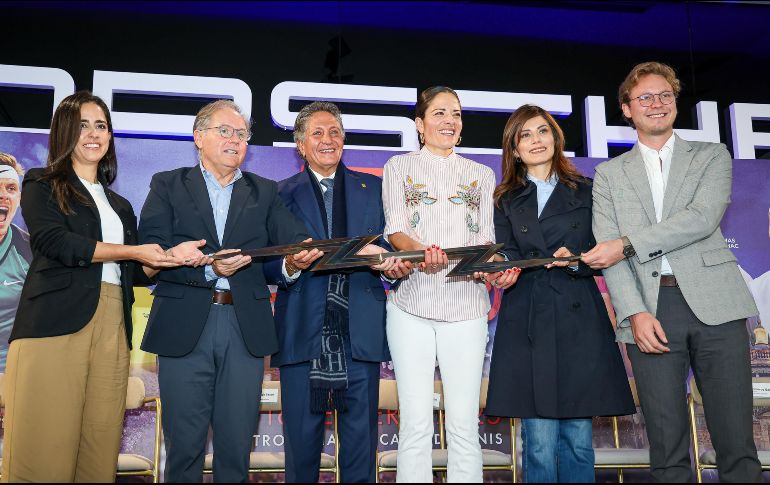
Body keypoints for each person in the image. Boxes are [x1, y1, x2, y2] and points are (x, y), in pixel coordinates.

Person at [0, 91, 205, 483]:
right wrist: (133, 249)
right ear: (63, 133)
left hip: (113, 327)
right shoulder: (41, 183)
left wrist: (167, 259)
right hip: (53, 328)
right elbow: (55, 243)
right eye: (82, 126)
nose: (93, 134)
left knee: (99, 451)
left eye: (101, 125)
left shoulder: (120, 204)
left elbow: (133, 274)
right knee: (42, 453)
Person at [583, 61, 762, 482]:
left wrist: (628, 244)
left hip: (717, 304)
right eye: (644, 97)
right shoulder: (609, 175)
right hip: (649, 308)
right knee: (665, 444)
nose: (656, 104)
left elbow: (701, 218)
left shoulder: (711, 155)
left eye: (665, 95)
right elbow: (607, 253)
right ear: (627, 109)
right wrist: (634, 312)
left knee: (736, 439)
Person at [138, 99, 322, 482]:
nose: (235, 140)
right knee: (184, 446)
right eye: (225, 131)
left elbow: (291, 242)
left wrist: (299, 258)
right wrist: (206, 267)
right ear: (199, 137)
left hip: (244, 328)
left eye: (242, 134)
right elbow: (150, 256)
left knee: (236, 446)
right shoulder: (168, 184)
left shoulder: (265, 191)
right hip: (184, 324)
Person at [483, 105, 635, 483]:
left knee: (578, 440)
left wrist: (577, 260)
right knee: (537, 442)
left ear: (555, 139)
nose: (536, 141)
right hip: (527, 317)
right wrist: (501, 269)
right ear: (514, 149)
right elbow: (506, 252)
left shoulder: (588, 190)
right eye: (525, 136)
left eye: (542, 132)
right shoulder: (504, 197)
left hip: (577, 315)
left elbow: (609, 248)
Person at [264, 101, 412, 483]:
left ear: (344, 139)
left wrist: (394, 269)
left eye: (334, 132)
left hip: (359, 334)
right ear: (300, 144)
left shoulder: (375, 189)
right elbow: (264, 262)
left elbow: (392, 254)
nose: (327, 140)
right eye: (317, 133)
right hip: (302, 333)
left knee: (362, 449)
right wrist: (289, 267)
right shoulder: (277, 195)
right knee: (301, 449)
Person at [382, 86, 495, 483]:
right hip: (410, 306)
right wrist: (420, 253)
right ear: (420, 124)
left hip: (466, 308)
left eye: (457, 114)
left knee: (464, 423)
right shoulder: (399, 167)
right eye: (440, 113)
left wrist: (490, 265)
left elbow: (484, 240)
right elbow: (395, 230)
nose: (450, 121)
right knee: (415, 423)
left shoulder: (482, 174)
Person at [0, 153, 32, 368]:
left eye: (11, 189)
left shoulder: (33, 252)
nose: (3, 195)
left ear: (19, 199)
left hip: (12, 372)